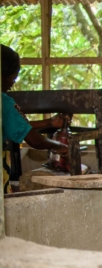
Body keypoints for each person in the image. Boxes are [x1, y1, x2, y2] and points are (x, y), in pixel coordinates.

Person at [2, 44, 68, 194]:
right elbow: (34, 140)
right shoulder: (3, 102)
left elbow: (16, 125)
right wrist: (60, 146)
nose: (12, 85)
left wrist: (49, 122)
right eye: (13, 78)